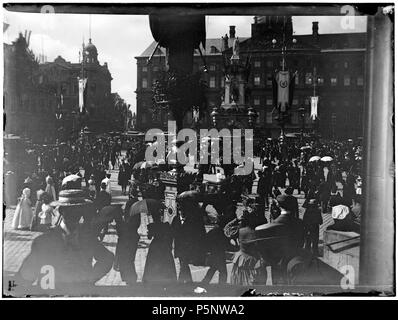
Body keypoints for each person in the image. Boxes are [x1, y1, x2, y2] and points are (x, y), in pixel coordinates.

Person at [172, 191, 207, 283]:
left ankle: (179, 284)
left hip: (188, 247)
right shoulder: (176, 219)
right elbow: (173, 232)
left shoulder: (194, 219)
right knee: (183, 265)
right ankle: (190, 283)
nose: (179, 207)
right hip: (179, 247)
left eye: (180, 204)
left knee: (183, 265)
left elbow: (200, 234)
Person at [142, 201, 177, 284]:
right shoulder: (166, 225)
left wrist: (150, 229)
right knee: (165, 263)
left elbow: (149, 237)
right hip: (163, 246)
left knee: (153, 263)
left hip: (155, 246)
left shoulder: (152, 226)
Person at [230, 210, 267, 286]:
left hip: (240, 261)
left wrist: (237, 219)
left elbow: (227, 230)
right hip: (255, 263)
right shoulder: (259, 233)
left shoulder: (240, 231)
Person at [201, 215, 229, 284]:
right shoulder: (222, 233)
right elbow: (226, 245)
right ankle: (221, 287)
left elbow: (205, 241)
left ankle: (203, 284)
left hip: (213, 254)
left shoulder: (212, 231)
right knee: (223, 273)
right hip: (220, 255)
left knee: (211, 271)